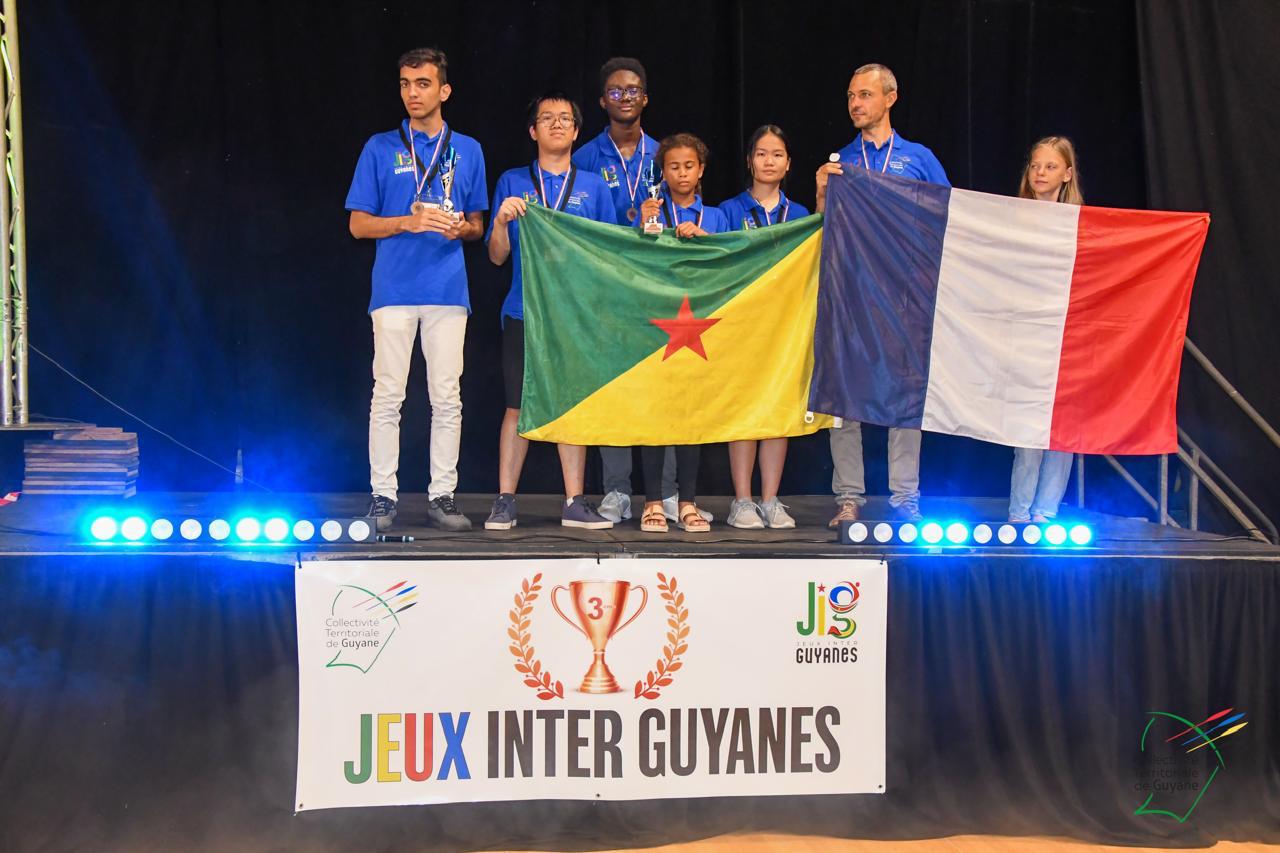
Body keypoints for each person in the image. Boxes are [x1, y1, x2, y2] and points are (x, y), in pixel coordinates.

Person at [345, 47, 486, 532]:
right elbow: (358, 225)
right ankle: (382, 497)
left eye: (423, 83)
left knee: (447, 397)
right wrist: (406, 222)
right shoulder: (380, 147)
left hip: (448, 289)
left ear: (444, 90)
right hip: (394, 288)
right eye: (405, 84)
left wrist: (461, 229)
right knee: (388, 394)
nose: (412, 93)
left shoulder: (468, 149)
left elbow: (477, 224)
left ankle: (442, 495)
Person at [814, 62, 949, 526]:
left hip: (904, 296)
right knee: (843, 399)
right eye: (851, 96)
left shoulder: (918, 157)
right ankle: (848, 497)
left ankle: (905, 497)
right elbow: (824, 231)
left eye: (865, 95)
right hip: (850, 293)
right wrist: (821, 195)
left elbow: (946, 215)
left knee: (904, 398)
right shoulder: (842, 161)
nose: (856, 104)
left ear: (891, 98)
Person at [483, 92, 618, 531]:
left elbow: (609, 254)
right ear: (533, 131)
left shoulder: (594, 186)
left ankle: (574, 501)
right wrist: (501, 221)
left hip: (574, 316)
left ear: (577, 132)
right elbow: (497, 256)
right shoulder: (512, 181)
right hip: (523, 311)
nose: (556, 124)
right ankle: (505, 500)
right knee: (516, 406)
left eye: (565, 119)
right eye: (547, 118)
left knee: (570, 406)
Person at [571, 57, 681, 526]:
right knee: (613, 389)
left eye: (633, 90)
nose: (625, 98)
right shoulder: (584, 157)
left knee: (662, 391)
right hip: (606, 292)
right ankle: (616, 490)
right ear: (602, 101)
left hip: (656, 289)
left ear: (646, 98)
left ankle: (666, 492)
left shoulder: (665, 153)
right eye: (615, 91)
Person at [634, 133, 729, 534]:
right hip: (658, 326)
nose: (682, 173)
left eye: (689, 165)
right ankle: (652, 501)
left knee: (691, 415)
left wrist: (707, 241)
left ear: (701, 169)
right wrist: (643, 227)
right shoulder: (651, 212)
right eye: (673, 166)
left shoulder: (718, 217)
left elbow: (734, 263)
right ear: (663, 172)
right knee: (655, 415)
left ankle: (688, 501)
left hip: (700, 327)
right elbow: (631, 263)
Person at [718, 124, 810, 530]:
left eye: (777, 154)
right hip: (741, 324)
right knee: (743, 408)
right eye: (761, 153)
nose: (768, 161)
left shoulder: (801, 216)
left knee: (776, 409)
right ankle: (742, 501)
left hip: (785, 326)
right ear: (749, 161)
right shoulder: (728, 211)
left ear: (788, 164)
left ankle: (771, 499)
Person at [1008, 136, 1082, 522]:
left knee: (1063, 430)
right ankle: (1019, 516)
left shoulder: (1081, 223)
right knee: (1027, 434)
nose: (1040, 173)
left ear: (1067, 174)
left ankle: (1046, 515)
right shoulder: (1011, 218)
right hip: (1026, 336)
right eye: (1035, 165)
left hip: (1066, 337)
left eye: (1050, 166)